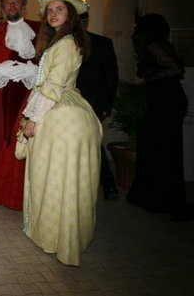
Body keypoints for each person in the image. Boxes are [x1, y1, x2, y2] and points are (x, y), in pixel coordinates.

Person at [20, 0, 101, 266]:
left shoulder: (66, 44)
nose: (53, 14)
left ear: (71, 15)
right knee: (60, 179)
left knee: (57, 179)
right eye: (50, 10)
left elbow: (53, 86)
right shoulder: (62, 41)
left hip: (62, 118)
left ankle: (60, 238)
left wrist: (33, 118)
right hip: (65, 112)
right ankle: (56, 234)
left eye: (60, 9)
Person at [126, 14, 193, 221]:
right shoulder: (157, 46)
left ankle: (160, 200)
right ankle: (152, 197)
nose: (134, 30)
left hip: (167, 104)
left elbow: (175, 69)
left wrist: (145, 80)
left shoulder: (155, 46)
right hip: (164, 102)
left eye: (137, 27)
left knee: (162, 150)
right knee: (155, 148)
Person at [0, 0, 39, 210]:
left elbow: (47, 62)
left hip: (30, 97)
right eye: (8, 2)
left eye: (16, 2)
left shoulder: (39, 30)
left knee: (26, 142)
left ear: (24, 5)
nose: (12, 5)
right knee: (1, 141)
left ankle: (23, 197)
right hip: (1, 98)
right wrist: (0, 70)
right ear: (2, 7)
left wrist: (32, 71)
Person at [76, 14, 119, 200]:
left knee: (93, 144)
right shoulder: (63, 42)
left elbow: (111, 76)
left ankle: (108, 186)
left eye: (81, 20)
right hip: (68, 103)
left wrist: (106, 105)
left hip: (93, 103)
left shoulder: (102, 43)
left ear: (86, 22)